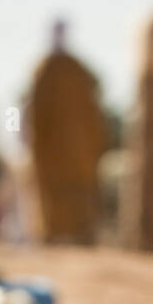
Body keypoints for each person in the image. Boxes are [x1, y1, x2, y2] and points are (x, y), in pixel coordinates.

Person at [27, 19, 106, 243]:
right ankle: (54, 235)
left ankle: (80, 235)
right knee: (54, 194)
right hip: (55, 149)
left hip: (78, 150)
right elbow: (37, 111)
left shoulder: (75, 68)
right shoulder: (45, 68)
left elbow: (92, 106)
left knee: (78, 192)